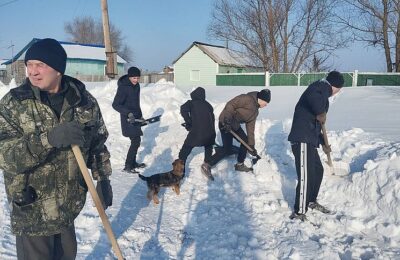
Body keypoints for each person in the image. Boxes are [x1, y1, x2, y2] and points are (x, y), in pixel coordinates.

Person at [0, 38, 113, 259]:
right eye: (29, 64)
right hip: (32, 210)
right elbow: (5, 155)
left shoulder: (83, 101)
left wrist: (103, 178)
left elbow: (97, 142)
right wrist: (48, 139)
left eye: (40, 64)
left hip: (67, 207)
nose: (32, 71)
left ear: (58, 69)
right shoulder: (14, 103)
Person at [288, 71, 344, 221]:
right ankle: (299, 211)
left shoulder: (322, 92)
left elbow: (316, 123)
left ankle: (311, 200)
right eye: (339, 90)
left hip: (310, 139)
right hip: (302, 139)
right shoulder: (320, 87)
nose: (337, 93)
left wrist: (323, 143)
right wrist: (321, 111)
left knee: (317, 170)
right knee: (306, 176)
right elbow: (313, 97)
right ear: (335, 86)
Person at [203, 89, 271, 175]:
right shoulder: (246, 98)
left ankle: (239, 164)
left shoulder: (255, 112)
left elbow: (250, 128)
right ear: (261, 99)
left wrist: (251, 145)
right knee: (227, 148)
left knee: (245, 142)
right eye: (266, 102)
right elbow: (230, 104)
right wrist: (227, 121)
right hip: (225, 122)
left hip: (235, 125)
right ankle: (207, 164)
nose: (266, 105)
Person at [112, 66, 146, 173]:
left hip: (136, 118)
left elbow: (136, 103)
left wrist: (140, 116)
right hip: (127, 119)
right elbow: (115, 105)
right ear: (129, 77)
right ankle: (128, 166)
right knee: (135, 141)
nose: (136, 80)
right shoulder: (123, 87)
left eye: (137, 78)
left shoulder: (137, 86)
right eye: (134, 78)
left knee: (136, 141)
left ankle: (132, 162)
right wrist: (128, 113)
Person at [178, 87, 216, 180]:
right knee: (208, 146)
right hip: (210, 133)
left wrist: (188, 122)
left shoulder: (191, 103)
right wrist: (212, 135)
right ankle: (206, 165)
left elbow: (183, 109)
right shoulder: (208, 105)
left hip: (196, 133)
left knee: (186, 148)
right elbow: (213, 119)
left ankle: (179, 170)